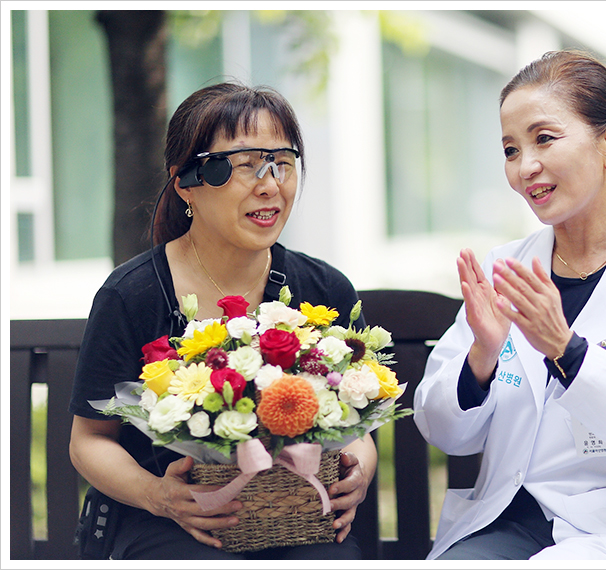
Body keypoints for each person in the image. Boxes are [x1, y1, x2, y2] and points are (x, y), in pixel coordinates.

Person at [413, 50, 606, 560]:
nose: (525, 168)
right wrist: (483, 357)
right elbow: (444, 430)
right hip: (505, 521)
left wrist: (567, 350)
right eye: (511, 150)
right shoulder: (503, 271)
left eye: (544, 139)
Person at [68, 82, 377, 560]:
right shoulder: (132, 295)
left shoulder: (324, 290)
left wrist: (361, 473)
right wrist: (160, 496)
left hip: (297, 518)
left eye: (283, 163)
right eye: (247, 165)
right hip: (170, 525)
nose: (270, 184)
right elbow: (89, 441)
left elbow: (357, 425)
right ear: (186, 181)